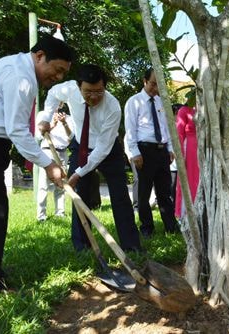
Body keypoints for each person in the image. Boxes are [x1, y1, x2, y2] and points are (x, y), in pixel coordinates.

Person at [0, 35, 74, 294]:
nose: (59, 77)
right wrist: (49, 164)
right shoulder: (22, 79)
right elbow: (17, 130)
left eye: (64, 73)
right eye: (58, 69)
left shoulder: (13, 65)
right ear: (40, 56)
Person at [41, 64, 143, 253]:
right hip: (81, 146)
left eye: (99, 91)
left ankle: (131, 245)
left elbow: (102, 148)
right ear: (79, 87)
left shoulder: (112, 106)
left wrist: (78, 173)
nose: (94, 97)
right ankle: (82, 246)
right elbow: (53, 94)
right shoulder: (69, 89)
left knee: (120, 196)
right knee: (80, 196)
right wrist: (46, 117)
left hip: (108, 150)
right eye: (88, 91)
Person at [124, 68, 179, 238]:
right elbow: (130, 129)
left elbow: (167, 128)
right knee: (144, 192)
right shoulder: (134, 102)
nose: (156, 89)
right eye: (153, 84)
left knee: (165, 192)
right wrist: (134, 152)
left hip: (161, 151)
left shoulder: (162, 102)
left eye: (159, 85)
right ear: (144, 81)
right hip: (144, 151)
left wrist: (170, 148)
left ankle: (171, 226)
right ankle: (147, 227)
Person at [36, 109, 74, 222]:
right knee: (43, 185)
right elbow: (38, 136)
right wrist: (52, 125)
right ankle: (41, 216)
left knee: (61, 185)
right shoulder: (43, 115)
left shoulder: (69, 118)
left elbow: (71, 137)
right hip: (47, 151)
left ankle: (60, 213)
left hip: (62, 152)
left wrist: (64, 123)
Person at [175, 105, 199, 219]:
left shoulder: (209, 106)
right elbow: (179, 134)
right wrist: (180, 156)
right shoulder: (184, 110)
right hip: (189, 150)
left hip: (206, 150)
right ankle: (187, 214)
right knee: (189, 180)